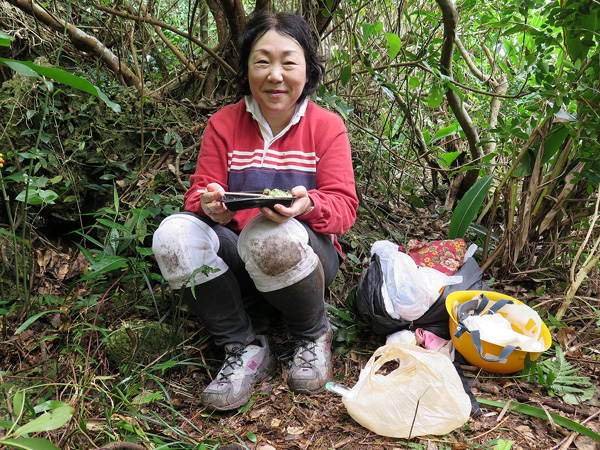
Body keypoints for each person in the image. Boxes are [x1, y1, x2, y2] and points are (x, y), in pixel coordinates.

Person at [152, 10, 358, 412]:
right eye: (262, 61)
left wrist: (308, 203)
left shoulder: (327, 126)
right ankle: (242, 347)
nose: (275, 75)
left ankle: (311, 335)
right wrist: (211, 205)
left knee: (270, 232)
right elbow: (197, 196)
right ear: (246, 67)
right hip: (239, 256)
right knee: (173, 236)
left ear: (309, 68)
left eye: (288, 62)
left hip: (306, 257)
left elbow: (345, 207)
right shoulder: (224, 123)